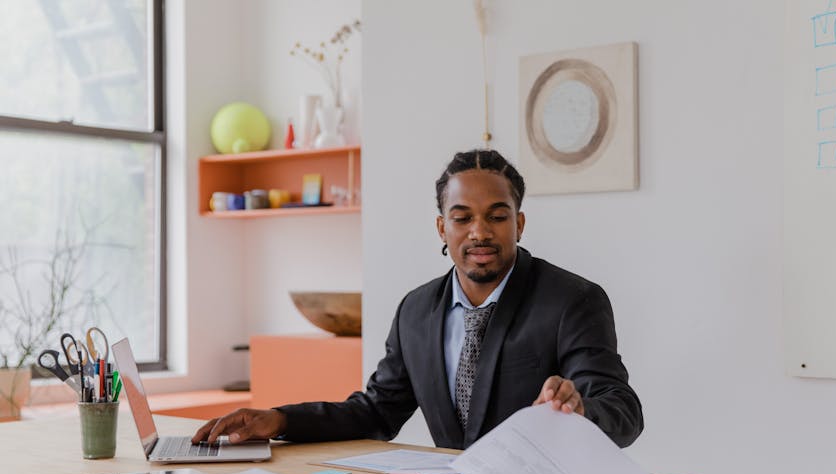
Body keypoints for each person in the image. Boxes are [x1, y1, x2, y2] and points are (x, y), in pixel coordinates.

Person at [193, 149, 643, 450]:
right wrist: (279, 420)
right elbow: (375, 413)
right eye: (462, 217)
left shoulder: (572, 300)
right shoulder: (415, 310)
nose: (480, 232)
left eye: (497, 217)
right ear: (441, 228)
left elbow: (623, 411)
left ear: (519, 224)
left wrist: (581, 410)